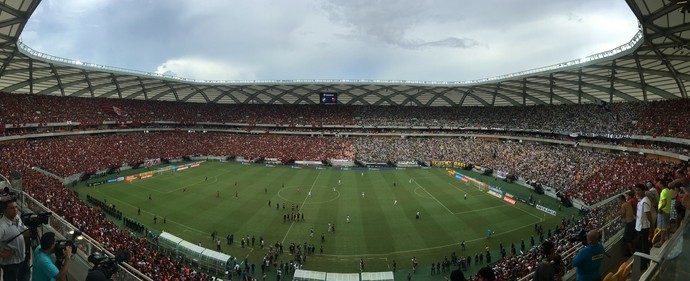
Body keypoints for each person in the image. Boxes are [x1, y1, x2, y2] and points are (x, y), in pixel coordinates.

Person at [0, 199, 28, 281]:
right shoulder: (2, 226)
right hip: (10, 264)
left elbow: (22, 229)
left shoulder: (17, 217)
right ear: (5, 210)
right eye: (12, 208)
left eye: (16, 207)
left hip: (22, 258)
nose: (15, 209)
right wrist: (1, 254)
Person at [634, 184, 652, 267]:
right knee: (643, 246)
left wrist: (651, 226)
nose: (637, 192)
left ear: (643, 191)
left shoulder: (645, 201)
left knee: (643, 247)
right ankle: (646, 261)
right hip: (640, 227)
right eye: (636, 190)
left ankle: (643, 265)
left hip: (643, 228)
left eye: (638, 190)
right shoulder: (641, 200)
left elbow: (648, 215)